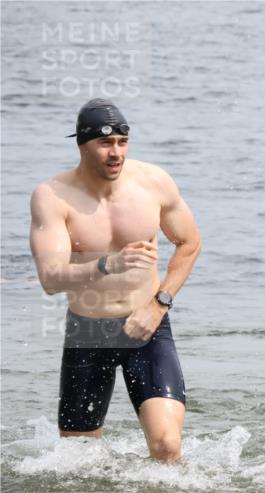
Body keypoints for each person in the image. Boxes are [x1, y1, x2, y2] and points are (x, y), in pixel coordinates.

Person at [29, 99, 201, 462]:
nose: (115, 153)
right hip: (88, 332)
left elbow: (189, 243)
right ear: (82, 145)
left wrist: (160, 304)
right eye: (105, 144)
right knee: (77, 461)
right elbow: (50, 278)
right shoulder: (53, 196)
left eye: (122, 142)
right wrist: (107, 264)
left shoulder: (153, 182)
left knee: (167, 447)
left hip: (147, 325)